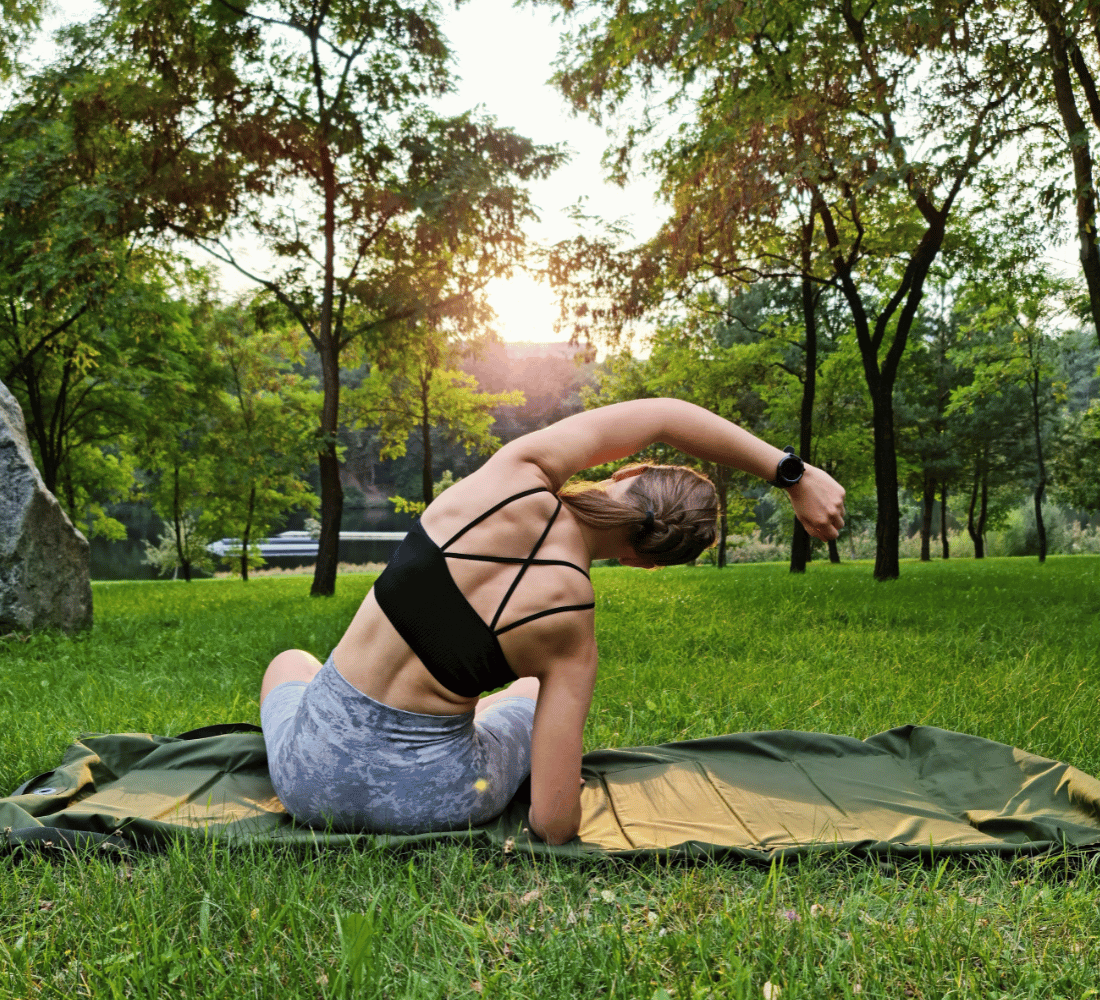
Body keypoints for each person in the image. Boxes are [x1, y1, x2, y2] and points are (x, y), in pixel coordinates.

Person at [259, 398, 845, 844]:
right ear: (645, 561)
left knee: (291, 662)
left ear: (622, 476)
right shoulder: (570, 627)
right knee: (522, 694)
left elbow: (665, 414)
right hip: (431, 801)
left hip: (310, 782)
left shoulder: (516, 471)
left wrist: (793, 474)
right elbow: (553, 821)